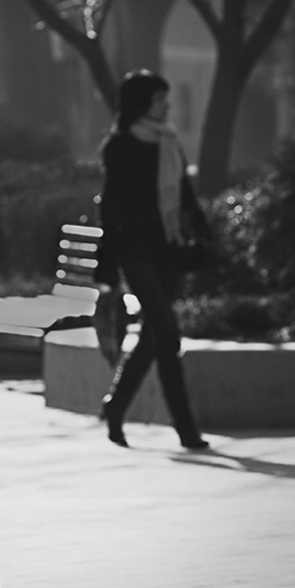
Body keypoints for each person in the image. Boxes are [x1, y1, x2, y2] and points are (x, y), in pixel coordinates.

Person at [95, 69, 212, 451]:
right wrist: (108, 264)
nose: (167, 105)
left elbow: (184, 194)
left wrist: (202, 230)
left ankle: (115, 406)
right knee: (167, 334)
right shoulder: (120, 146)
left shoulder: (169, 141)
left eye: (166, 98)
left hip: (168, 249)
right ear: (142, 102)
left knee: (151, 338)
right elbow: (111, 206)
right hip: (135, 253)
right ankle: (186, 428)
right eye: (159, 99)